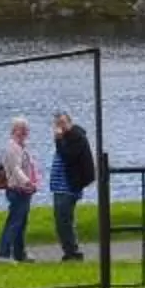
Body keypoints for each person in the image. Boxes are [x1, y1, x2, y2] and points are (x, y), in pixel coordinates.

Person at [48, 111, 97, 262]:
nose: (60, 127)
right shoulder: (68, 138)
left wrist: (58, 140)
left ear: (70, 122)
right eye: (58, 124)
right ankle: (70, 251)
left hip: (68, 188)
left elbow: (68, 156)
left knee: (64, 221)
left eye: (63, 123)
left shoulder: (75, 137)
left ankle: (72, 252)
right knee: (63, 220)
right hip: (61, 187)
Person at [0, 118, 42, 263]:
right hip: (18, 189)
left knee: (21, 222)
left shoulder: (21, 147)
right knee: (14, 222)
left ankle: (20, 253)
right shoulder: (12, 148)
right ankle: (3, 254)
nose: (25, 132)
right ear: (14, 130)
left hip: (24, 190)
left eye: (26, 129)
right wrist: (27, 182)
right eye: (22, 129)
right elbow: (15, 168)